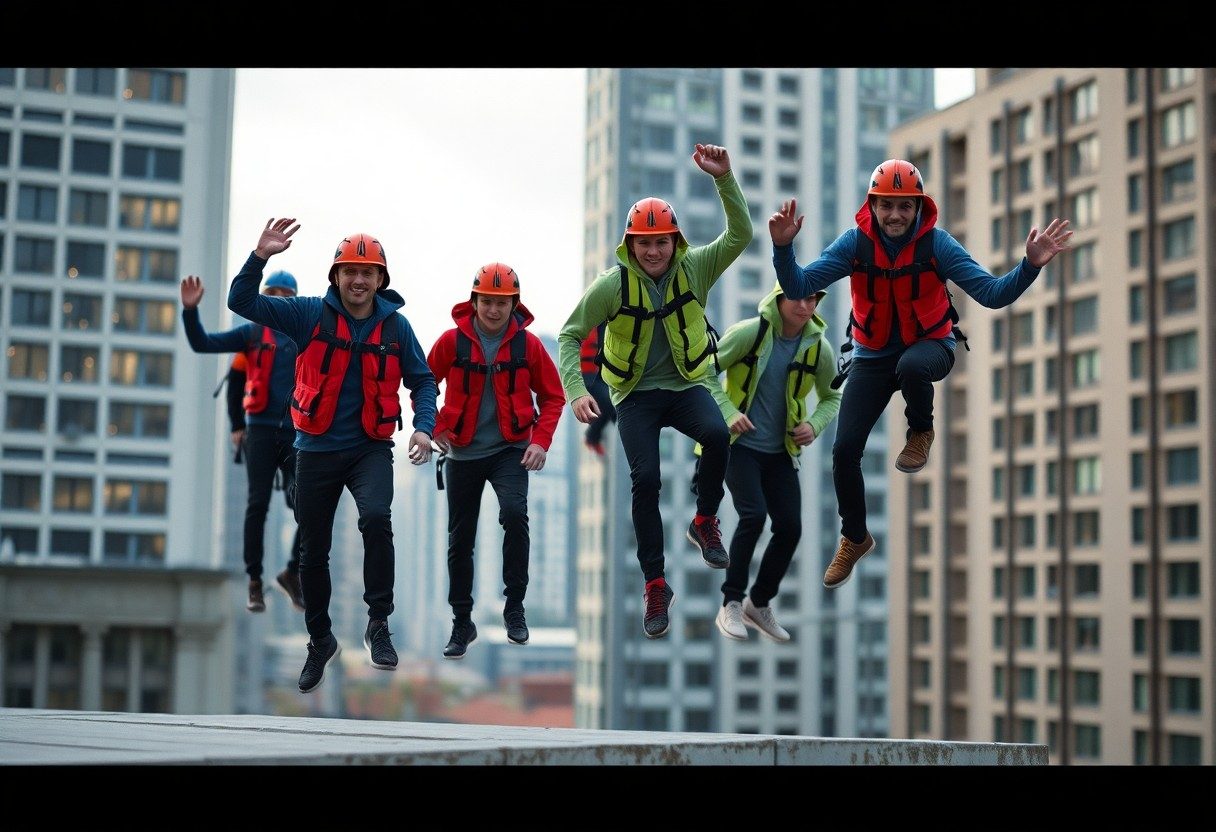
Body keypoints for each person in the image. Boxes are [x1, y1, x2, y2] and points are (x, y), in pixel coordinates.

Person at [770, 159, 1072, 589]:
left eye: (905, 207)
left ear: (918, 207)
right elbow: (800, 286)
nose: (895, 215)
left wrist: (1030, 266)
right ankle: (854, 538)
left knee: (911, 365)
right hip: (871, 356)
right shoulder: (855, 244)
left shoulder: (938, 246)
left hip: (929, 347)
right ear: (872, 206)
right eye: (886, 205)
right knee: (844, 452)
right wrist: (783, 249)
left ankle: (921, 432)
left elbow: (991, 294)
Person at [228, 218, 438, 694]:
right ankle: (319, 640)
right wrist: (260, 257)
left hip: (369, 448)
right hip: (316, 448)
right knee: (312, 549)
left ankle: (378, 625)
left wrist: (424, 428)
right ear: (336, 276)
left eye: (368, 273)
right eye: (350, 272)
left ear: (382, 280)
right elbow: (240, 302)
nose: (359, 281)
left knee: (376, 520)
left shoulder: (396, 327)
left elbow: (423, 381)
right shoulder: (305, 314)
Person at [558, 143, 752, 639]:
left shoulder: (696, 268)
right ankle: (656, 585)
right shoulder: (612, 286)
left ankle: (704, 520)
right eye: (644, 243)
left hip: (686, 383)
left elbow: (741, 235)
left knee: (717, 433)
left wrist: (724, 178)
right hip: (634, 394)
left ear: (675, 241)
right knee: (646, 480)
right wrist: (578, 389)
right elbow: (570, 334)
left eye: (662, 242)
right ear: (630, 245)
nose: (653, 251)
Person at [427, 262, 566, 659]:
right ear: (474, 302)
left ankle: (515, 609)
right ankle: (461, 622)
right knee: (460, 538)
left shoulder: (529, 346)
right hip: (463, 452)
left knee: (514, 514)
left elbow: (554, 397)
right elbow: (422, 381)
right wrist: (434, 426)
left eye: (501, 303)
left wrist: (540, 442)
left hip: (510, 449)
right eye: (486, 301)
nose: (493, 310)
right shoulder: (451, 342)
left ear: (514, 304)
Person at [704, 282, 842, 642]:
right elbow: (703, 372)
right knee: (753, 515)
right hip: (738, 446)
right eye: (798, 296)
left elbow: (831, 396)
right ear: (778, 299)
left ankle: (759, 602)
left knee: (790, 527)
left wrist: (814, 424)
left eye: (812, 297)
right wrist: (728, 411)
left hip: (780, 452)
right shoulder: (749, 333)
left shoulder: (817, 348)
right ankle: (731, 603)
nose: (805, 304)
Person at [181, 270, 305, 615]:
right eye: (272, 292)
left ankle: (293, 572)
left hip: (296, 433)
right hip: (261, 430)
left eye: (286, 293)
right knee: (257, 505)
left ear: (295, 298)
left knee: (312, 506)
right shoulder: (252, 333)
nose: (279, 298)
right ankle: (255, 581)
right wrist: (190, 311)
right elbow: (202, 343)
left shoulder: (306, 334)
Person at [579, 324, 616, 456]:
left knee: (612, 408)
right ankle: (592, 437)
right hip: (587, 375)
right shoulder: (586, 319)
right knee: (610, 404)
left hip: (602, 374)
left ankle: (593, 437)